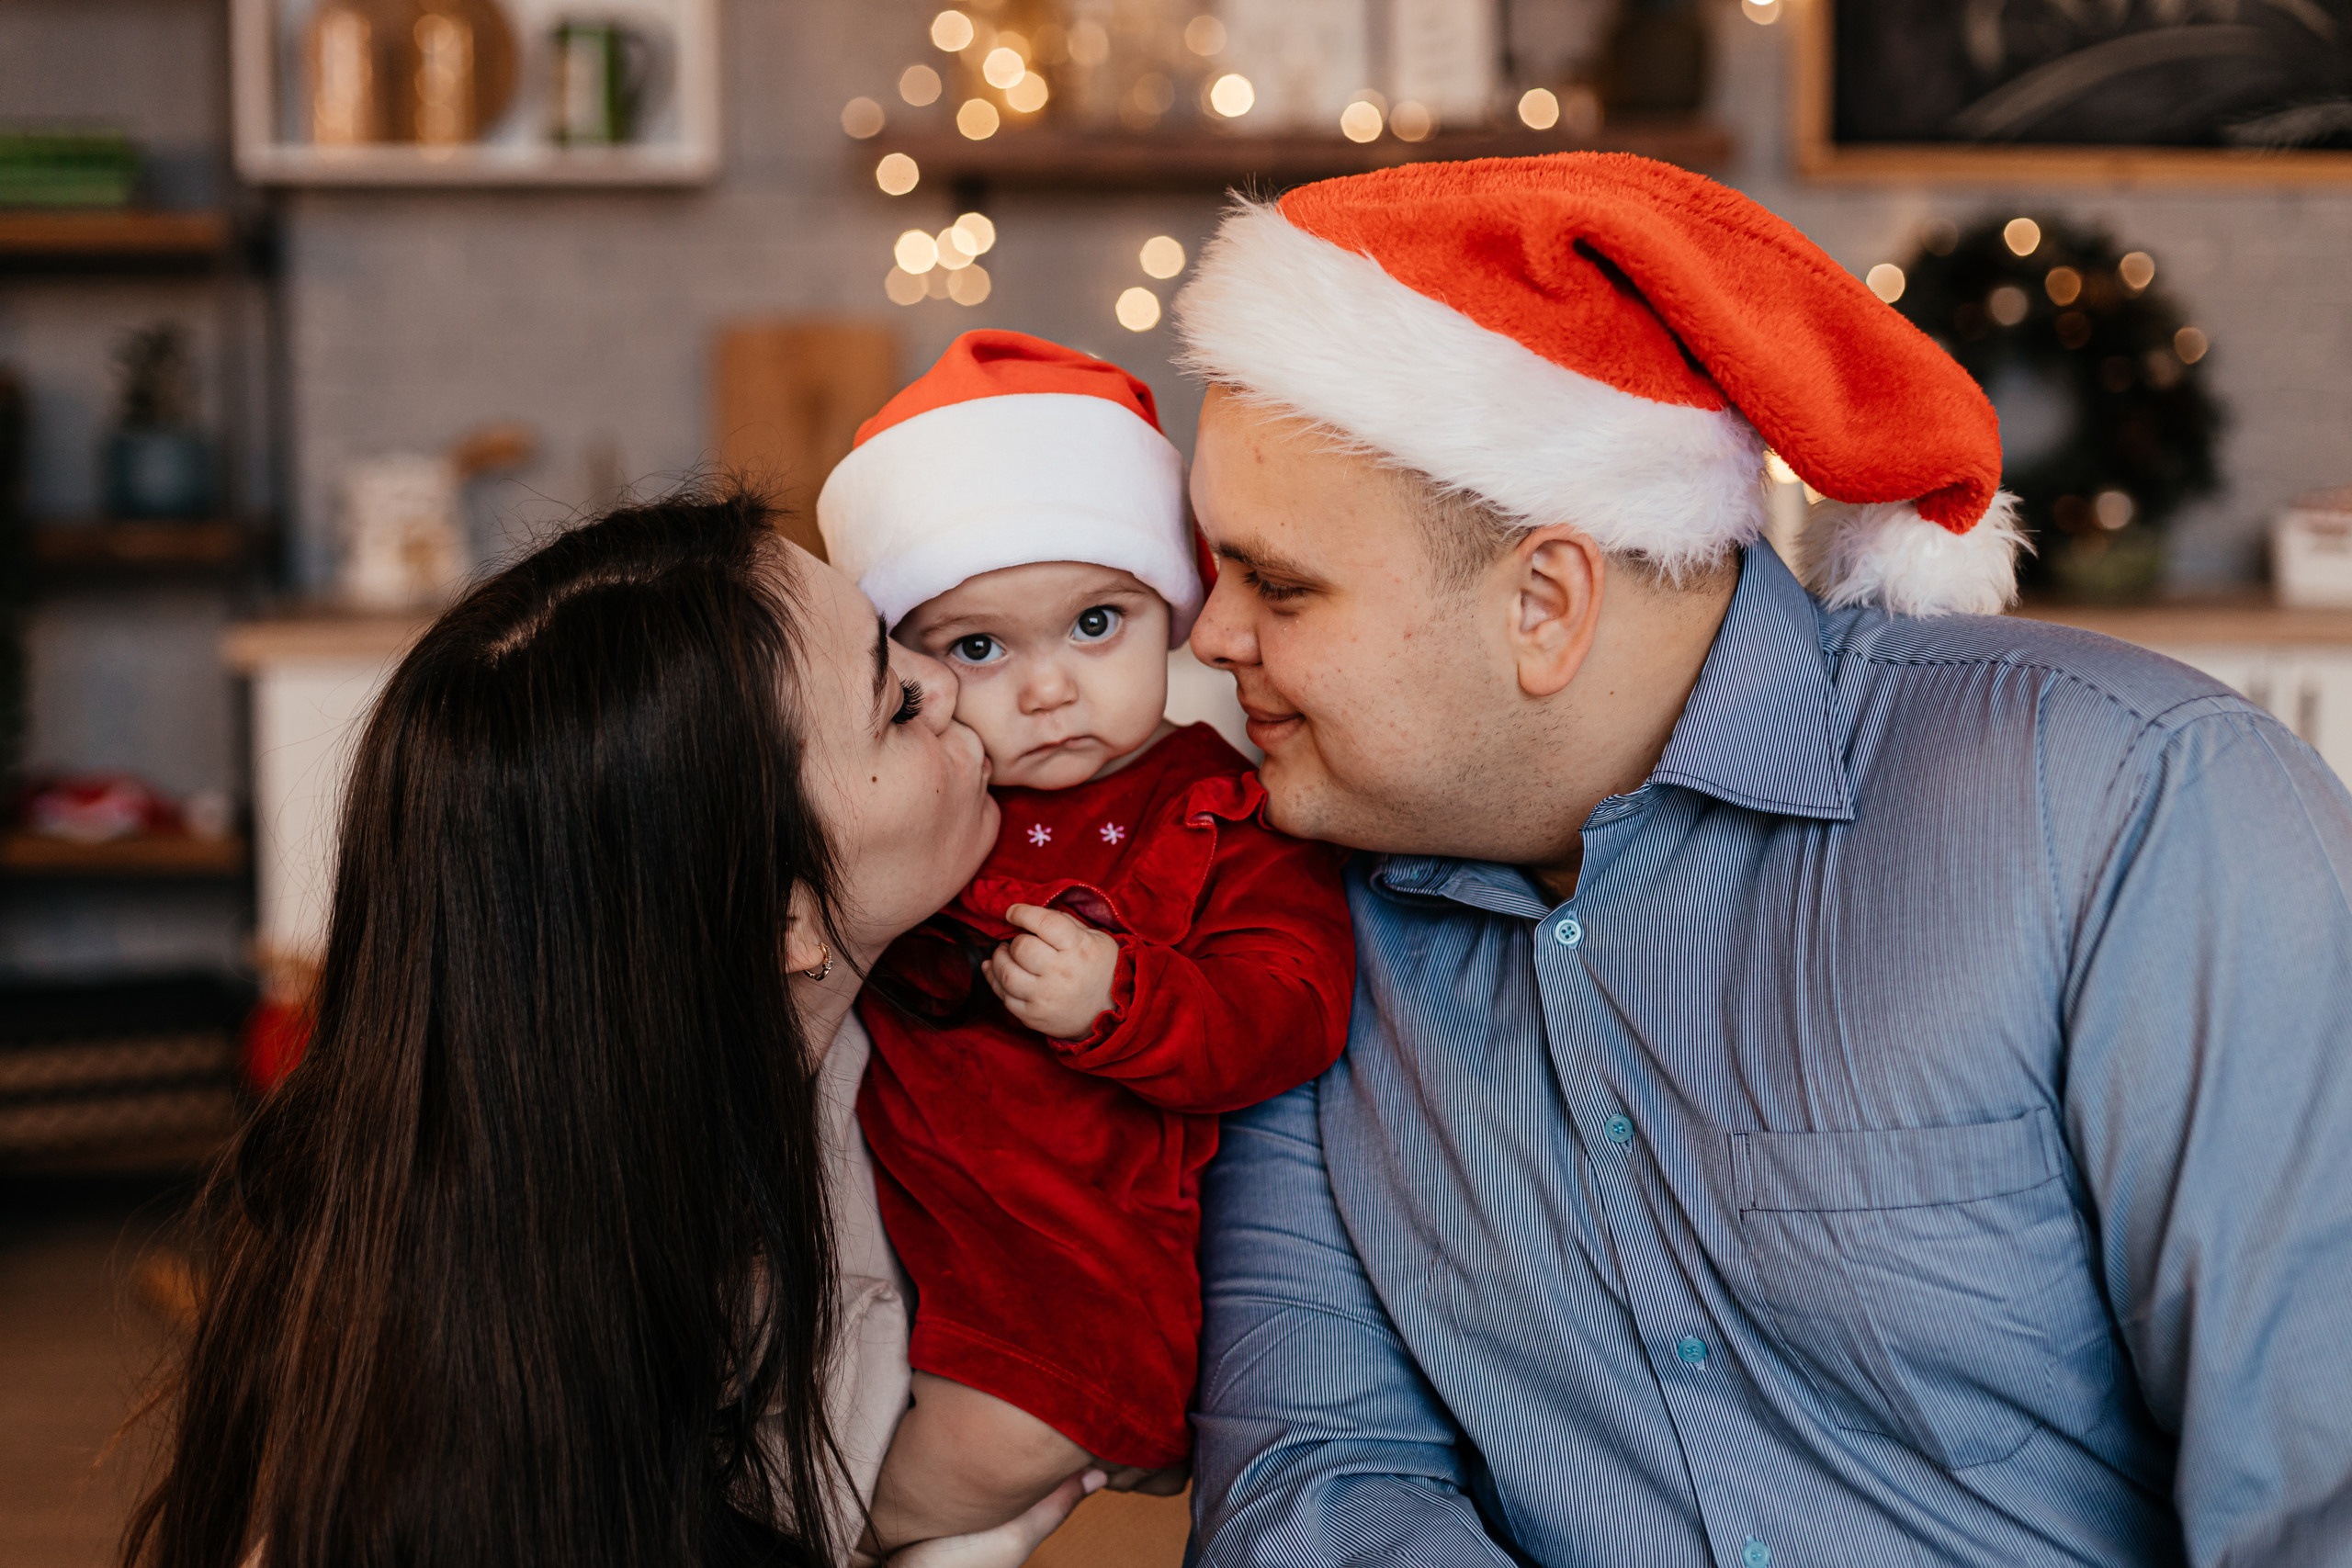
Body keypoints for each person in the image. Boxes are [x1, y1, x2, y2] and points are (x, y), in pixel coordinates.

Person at [1171, 154, 2352, 1566]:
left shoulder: (2129, 805)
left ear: (1547, 601)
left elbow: (2322, 1480)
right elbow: (1316, 1475)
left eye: (1279, 584)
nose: (1210, 635)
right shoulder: (1287, 933)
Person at [123, 490, 1098, 1568]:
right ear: (779, 916)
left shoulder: (873, 1043)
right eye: (895, 707)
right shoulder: (487, 1375)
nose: (951, 681)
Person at [815, 332, 1354, 1554]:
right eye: (980, 646)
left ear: (1170, 612)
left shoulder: (1221, 813)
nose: (1048, 689)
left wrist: (1130, 998)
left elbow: (1296, 1000)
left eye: (1094, 623)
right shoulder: (933, 798)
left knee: (980, 1455)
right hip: (906, 1250)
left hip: (1069, 1288)